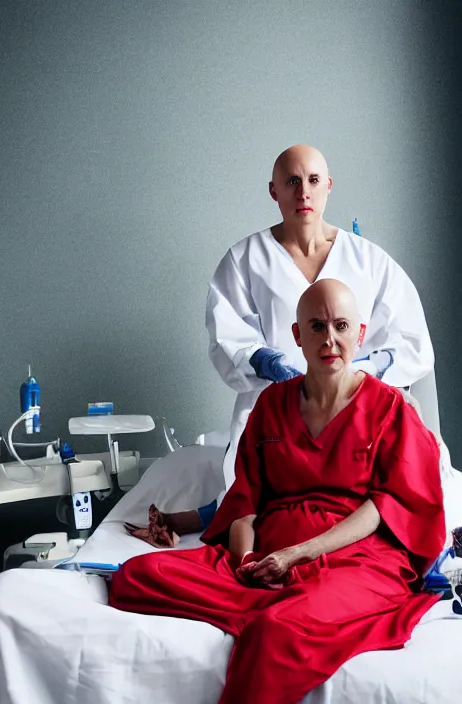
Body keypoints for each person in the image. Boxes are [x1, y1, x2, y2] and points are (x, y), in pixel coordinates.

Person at [110, 279, 445, 704]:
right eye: (317, 326)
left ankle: (291, 606)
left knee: (274, 634)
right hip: (267, 557)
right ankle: (280, 598)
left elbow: (384, 508)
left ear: (360, 335)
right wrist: (247, 562)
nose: (330, 339)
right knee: (136, 576)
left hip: (356, 560)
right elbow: (244, 504)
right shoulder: (270, 405)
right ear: (297, 336)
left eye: (342, 326)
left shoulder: (390, 408)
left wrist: (296, 556)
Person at [125, 144, 435, 547]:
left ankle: (197, 519)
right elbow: (227, 334)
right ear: (274, 191)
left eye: (312, 181)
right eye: (291, 182)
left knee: (390, 475)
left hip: (354, 407)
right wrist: (267, 361)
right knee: (256, 482)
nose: (303, 192)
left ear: (328, 186)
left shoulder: (368, 261)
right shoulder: (244, 260)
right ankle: (207, 519)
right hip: (273, 406)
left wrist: (366, 371)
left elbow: (412, 339)